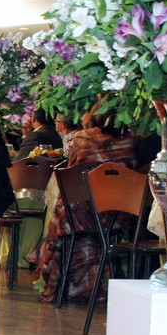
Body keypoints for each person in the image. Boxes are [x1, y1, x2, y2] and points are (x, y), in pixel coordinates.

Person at [34, 103, 136, 303]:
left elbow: (72, 171)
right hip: (117, 213)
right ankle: (93, 285)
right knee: (82, 223)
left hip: (83, 212)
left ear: (96, 114)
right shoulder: (129, 141)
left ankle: (59, 279)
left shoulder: (84, 137)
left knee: (62, 215)